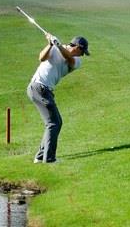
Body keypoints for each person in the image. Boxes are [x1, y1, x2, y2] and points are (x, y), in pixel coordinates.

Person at [27, 33, 89, 163]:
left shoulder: (76, 61)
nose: (82, 55)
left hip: (43, 90)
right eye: (82, 51)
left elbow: (68, 58)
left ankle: (40, 157)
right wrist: (50, 45)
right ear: (77, 47)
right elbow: (41, 58)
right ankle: (48, 159)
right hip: (39, 87)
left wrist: (58, 45)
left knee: (55, 122)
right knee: (53, 123)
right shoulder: (54, 48)